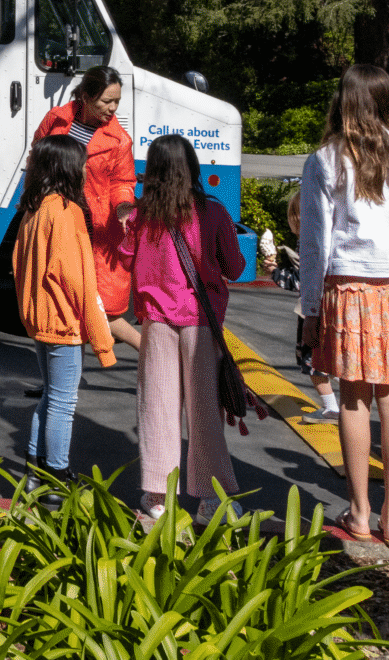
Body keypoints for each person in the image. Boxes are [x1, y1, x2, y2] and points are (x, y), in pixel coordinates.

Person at [297, 64, 389, 548]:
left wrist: (310, 306)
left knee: (353, 399)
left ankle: (360, 512)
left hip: (348, 289)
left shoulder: (325, 159)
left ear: (343, 102)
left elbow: (315, 241)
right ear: (388, 101)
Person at [118, 134, 245, 524]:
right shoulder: (213, 213)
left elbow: (125, 259)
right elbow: (235, 267)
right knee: (205, 411)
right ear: (192, 167)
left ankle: (158, 496)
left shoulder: (141, 217)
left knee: (157, 406)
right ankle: (211, 500)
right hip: (201, 322)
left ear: (153, 172)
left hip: (156, 321)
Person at [13, 135, 115, 504]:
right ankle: (56, 478)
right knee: (62, 403)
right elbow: (77, 279)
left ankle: (36, 472)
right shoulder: (66, 211)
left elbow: (20, 267)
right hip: (63, 321)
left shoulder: (34, 208)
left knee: (50, 397)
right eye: (82, 164)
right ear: (68, 168)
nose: (86, 170)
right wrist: (102, 341)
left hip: (41, 319)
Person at [32, 65, 141, 354]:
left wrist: (124, 206)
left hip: (92, 229)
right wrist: (32, 202)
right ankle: (62, 374)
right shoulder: (56, 119)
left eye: (117, 101)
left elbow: (123, 181)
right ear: (85, 96)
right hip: (54, 220)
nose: (113, 108)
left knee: (95, 303)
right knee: (58, 299)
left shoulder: (119, 140)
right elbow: (37, 157)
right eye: (107, 101)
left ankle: (151, 354)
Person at [289, 195, 339, 425]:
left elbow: (301, 280)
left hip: (312, 310)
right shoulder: (332, 236)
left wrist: (276, 273)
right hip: (335, 306)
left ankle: (331, 407)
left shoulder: (307, 240)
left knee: (311, 362)